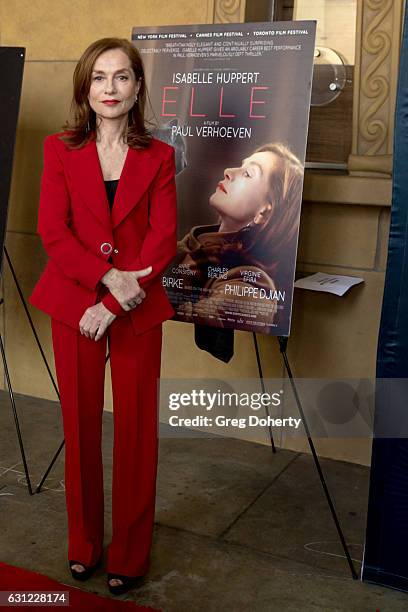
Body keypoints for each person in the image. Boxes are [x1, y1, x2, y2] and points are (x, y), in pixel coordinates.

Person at [29, 37, 177, 596]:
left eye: (120, 77)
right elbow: (52, 232)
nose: (109, 89)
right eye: (98, 78)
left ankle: (130, 554)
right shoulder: (58, 149)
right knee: (80, 427)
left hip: (133, 310)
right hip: (73, 304)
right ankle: (84, 546)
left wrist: (114, 301)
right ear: (84, 88)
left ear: (138, 87)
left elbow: (162, 242)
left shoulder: (159, 156)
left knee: (138, 433)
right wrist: (103, 279)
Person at [172, 143, 304, 334]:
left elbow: (178, 322)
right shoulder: (189, 248)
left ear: (264, 213)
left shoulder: (253, 286)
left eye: (248, 173)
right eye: (240, 166)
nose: (228, 171)